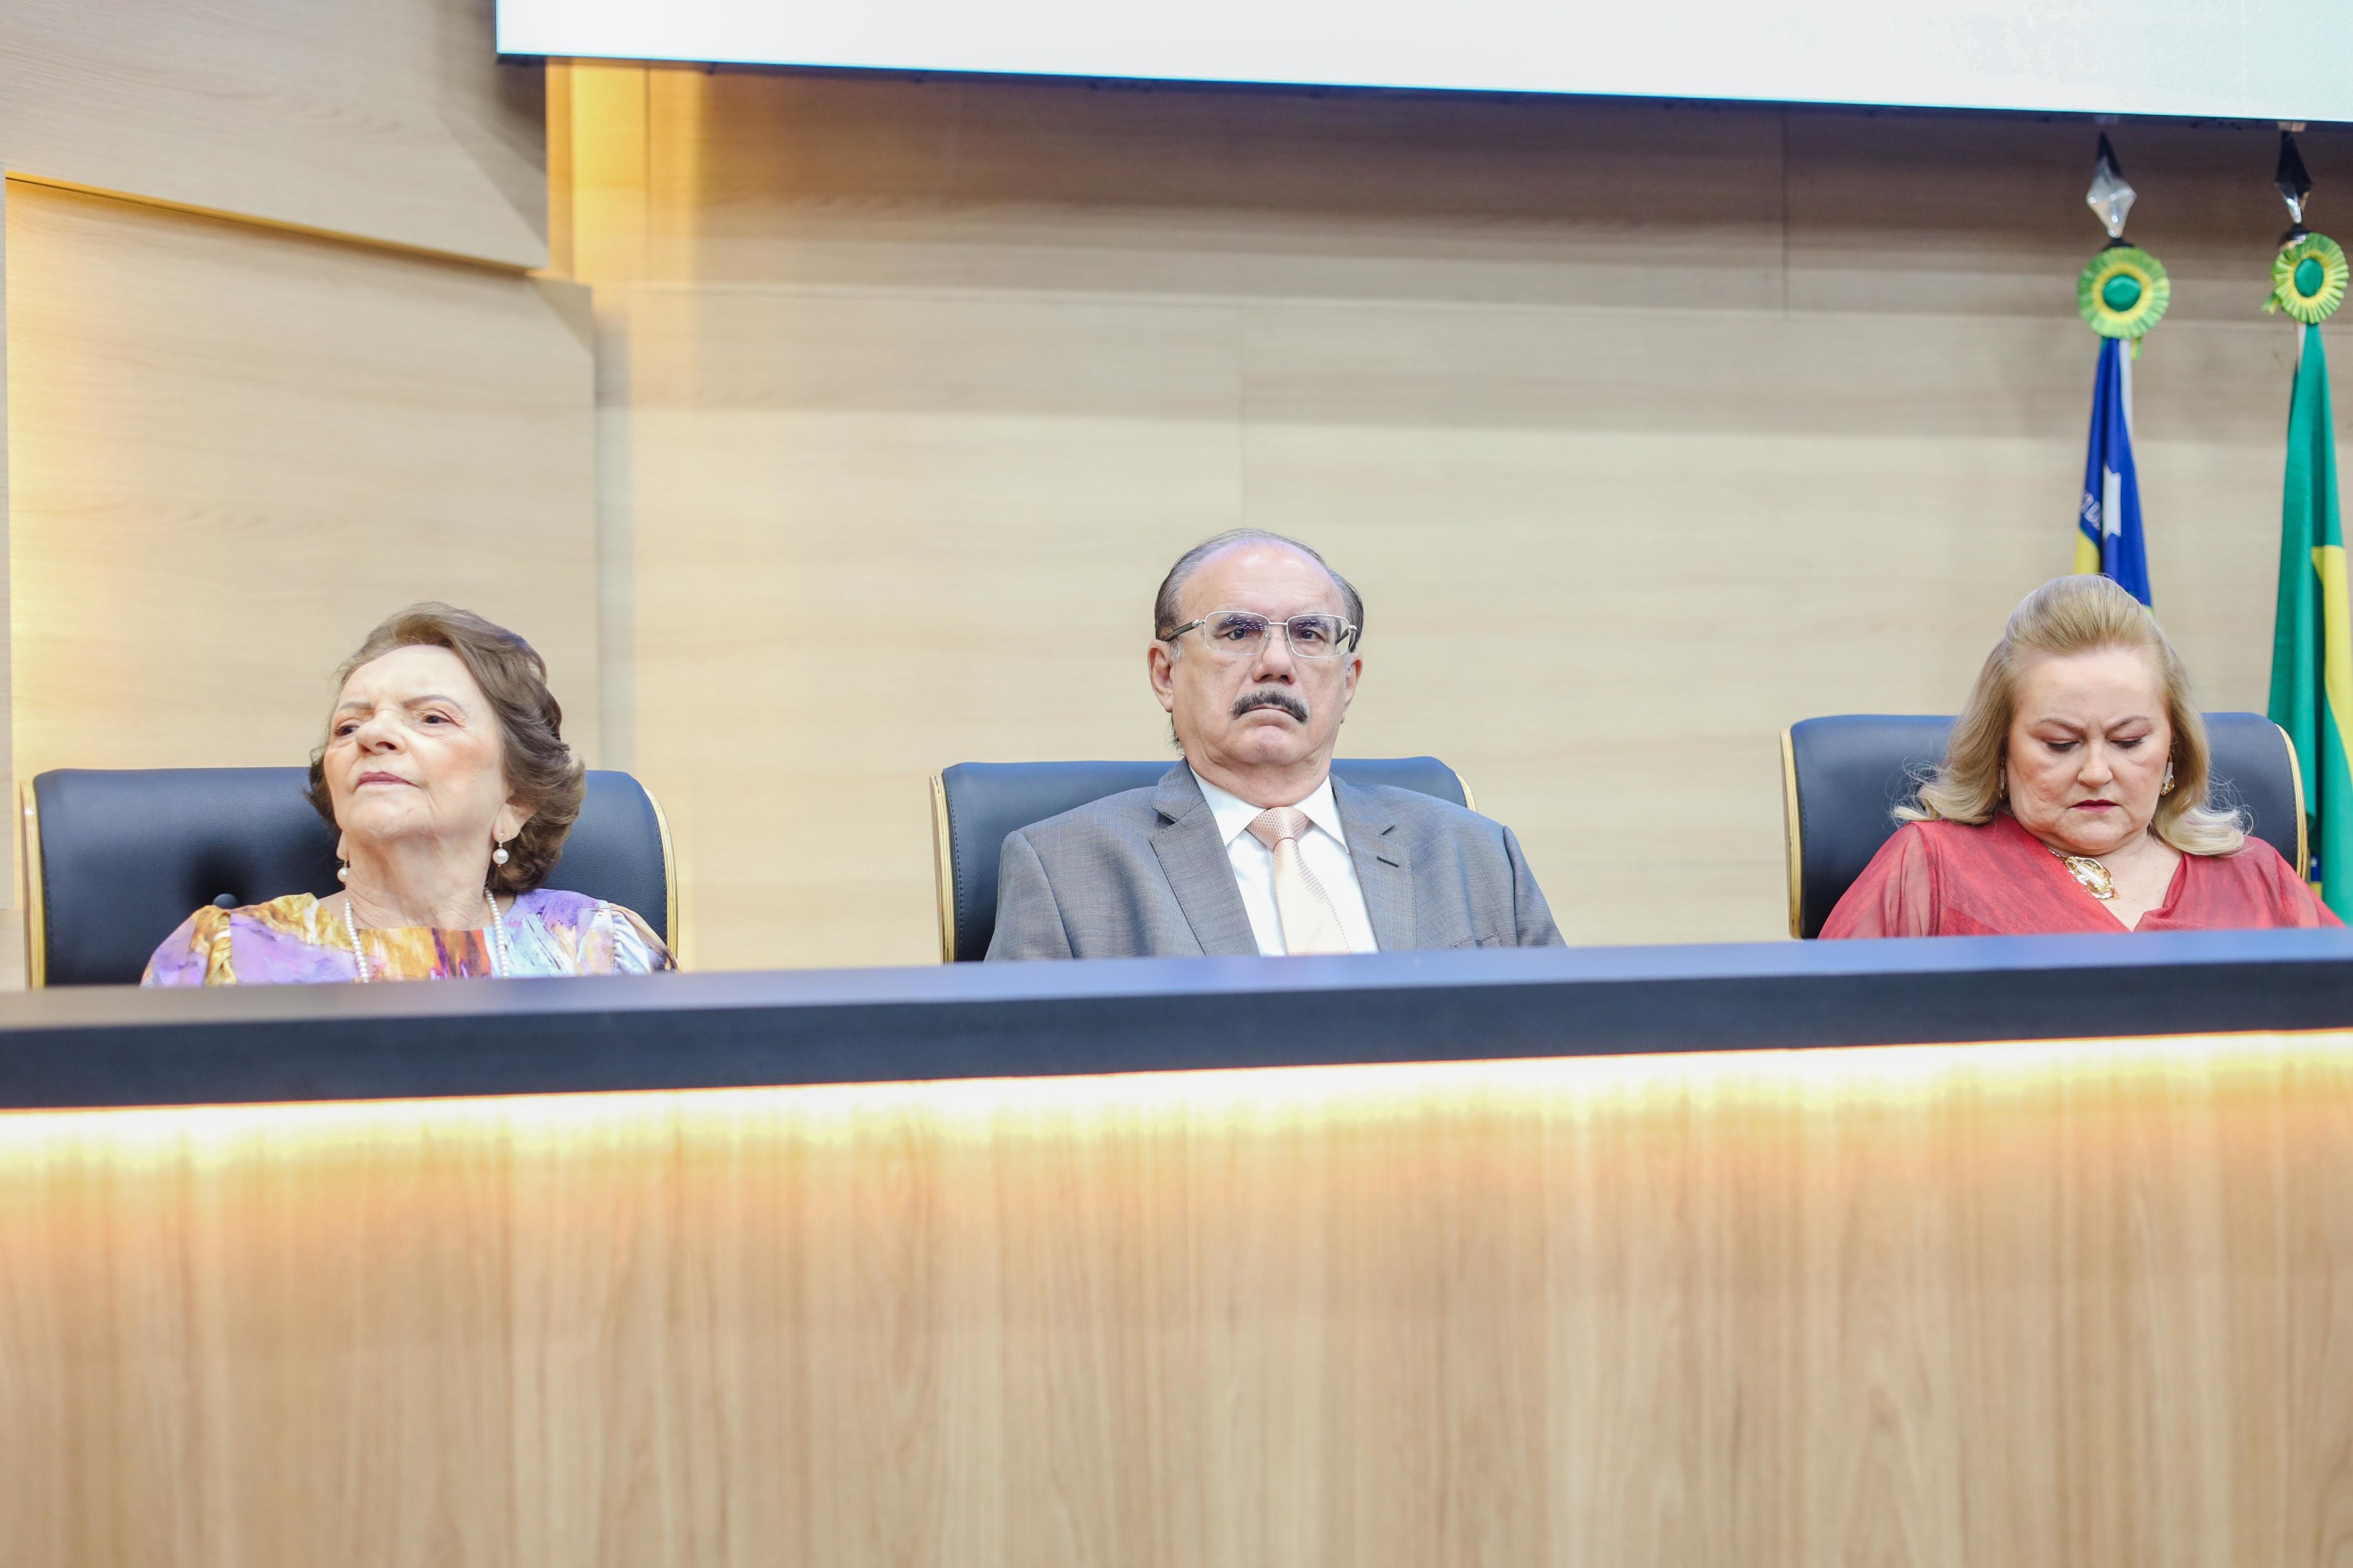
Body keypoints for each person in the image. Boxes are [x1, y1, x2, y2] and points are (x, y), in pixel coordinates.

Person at [987, 529, 1564, 959]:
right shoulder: (1064, 870)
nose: (1277, 663)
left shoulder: (1478, 853)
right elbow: (1016, 1094)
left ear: (1348, 682)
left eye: (1310, 634)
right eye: (1237, 632)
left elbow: (1571, 1052)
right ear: (1165, 673)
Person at [143, 604, 674, 984]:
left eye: (432, 718)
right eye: (348, 727)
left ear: (516, 800)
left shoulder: (603, 951)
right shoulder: (222, 961)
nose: (373, 737)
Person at [1823, 573, 2338, 937]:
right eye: (2060, 745)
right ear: (2001, 748)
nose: (2096, 772)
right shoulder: (1930, 869)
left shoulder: (2257, 877)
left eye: (2129, 741)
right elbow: (1824, 1051)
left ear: (2174, 747)